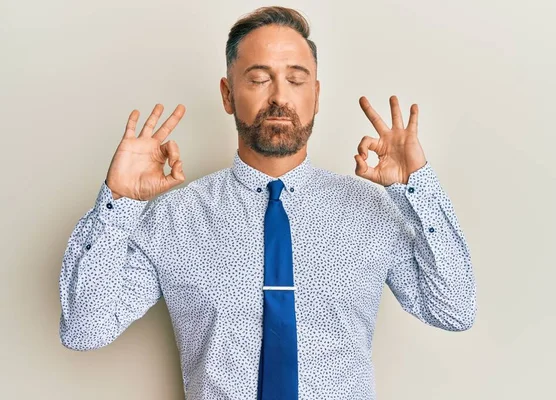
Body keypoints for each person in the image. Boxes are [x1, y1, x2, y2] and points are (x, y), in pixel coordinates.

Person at [58, 6, 477, 400]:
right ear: (227, 94)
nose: (280, 96)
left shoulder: (371, 212)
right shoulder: (174, 218)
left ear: (316, 93)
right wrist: (118, 203)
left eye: (296, 80)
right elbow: (84, 329)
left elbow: (454, 309)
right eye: (258, 79)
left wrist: (415, 188)